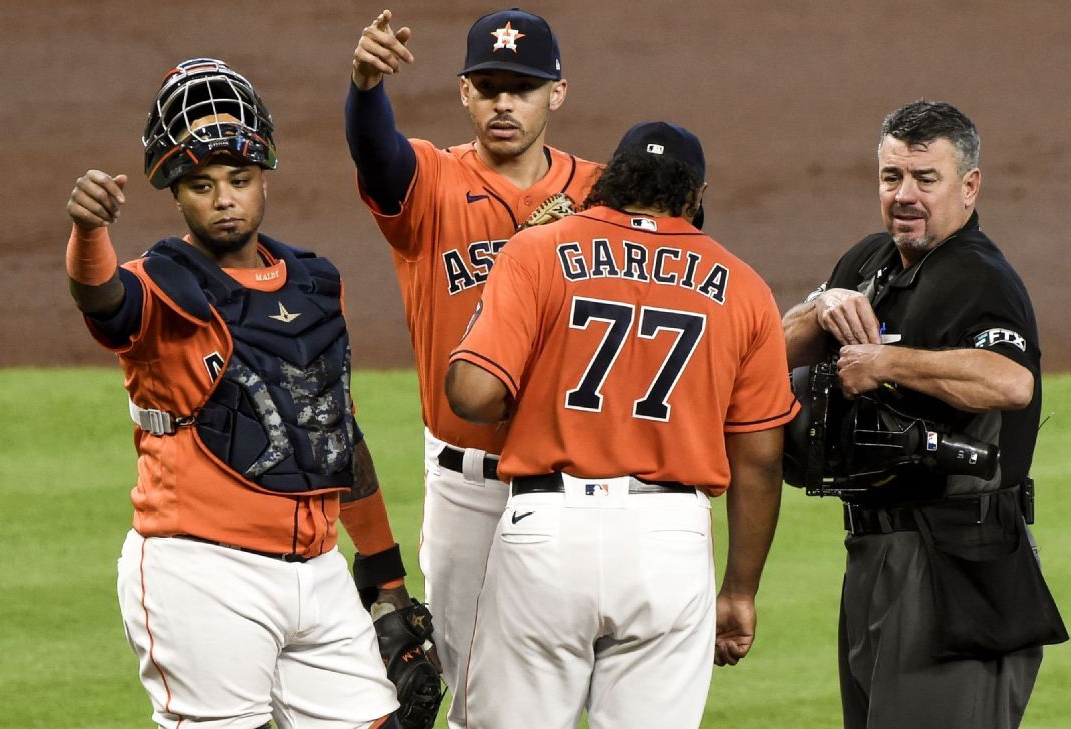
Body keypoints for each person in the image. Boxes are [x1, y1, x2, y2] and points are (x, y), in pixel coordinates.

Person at [64, 58, 419, 729]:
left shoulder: (315, 284)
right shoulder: (159, 288)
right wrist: (89, 233)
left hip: (317, 572)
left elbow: (334, 432)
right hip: (202, 570)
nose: (224, 197)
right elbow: (103, 299)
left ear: (264, 178)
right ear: (176, 193)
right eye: (201, 184)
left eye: (239, 179)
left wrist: (384, 569)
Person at [444, 121, 800, 729]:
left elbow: (472, 395)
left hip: (545, 534)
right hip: (668, 543)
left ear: (610, 180)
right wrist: (739, 592)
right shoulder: (744, 287)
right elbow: (761, 460)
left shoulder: (537, 250)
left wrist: (530, 397)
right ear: (695, 194)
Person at [345, 9, 603, 727]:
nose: (503, 103)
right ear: (463, 93)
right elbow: (377, 155)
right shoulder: (431, 181)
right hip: (468, 487)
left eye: (521, 87)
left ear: (556, 93)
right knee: (468, 697)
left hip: (577, 482)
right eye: (487, 86)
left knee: (570, 690)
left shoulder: (601, 193)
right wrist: (366, 87)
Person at [781, 100, 1067, 729]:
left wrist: (889, 364)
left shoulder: (980, 278)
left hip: (957, 567)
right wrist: (820, 305)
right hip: (875, 552)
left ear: (969, 187)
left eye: (924, 179)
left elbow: (1011, 382)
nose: (904, 196)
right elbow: (770, 352)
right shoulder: (867, 262)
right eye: (891, 178)